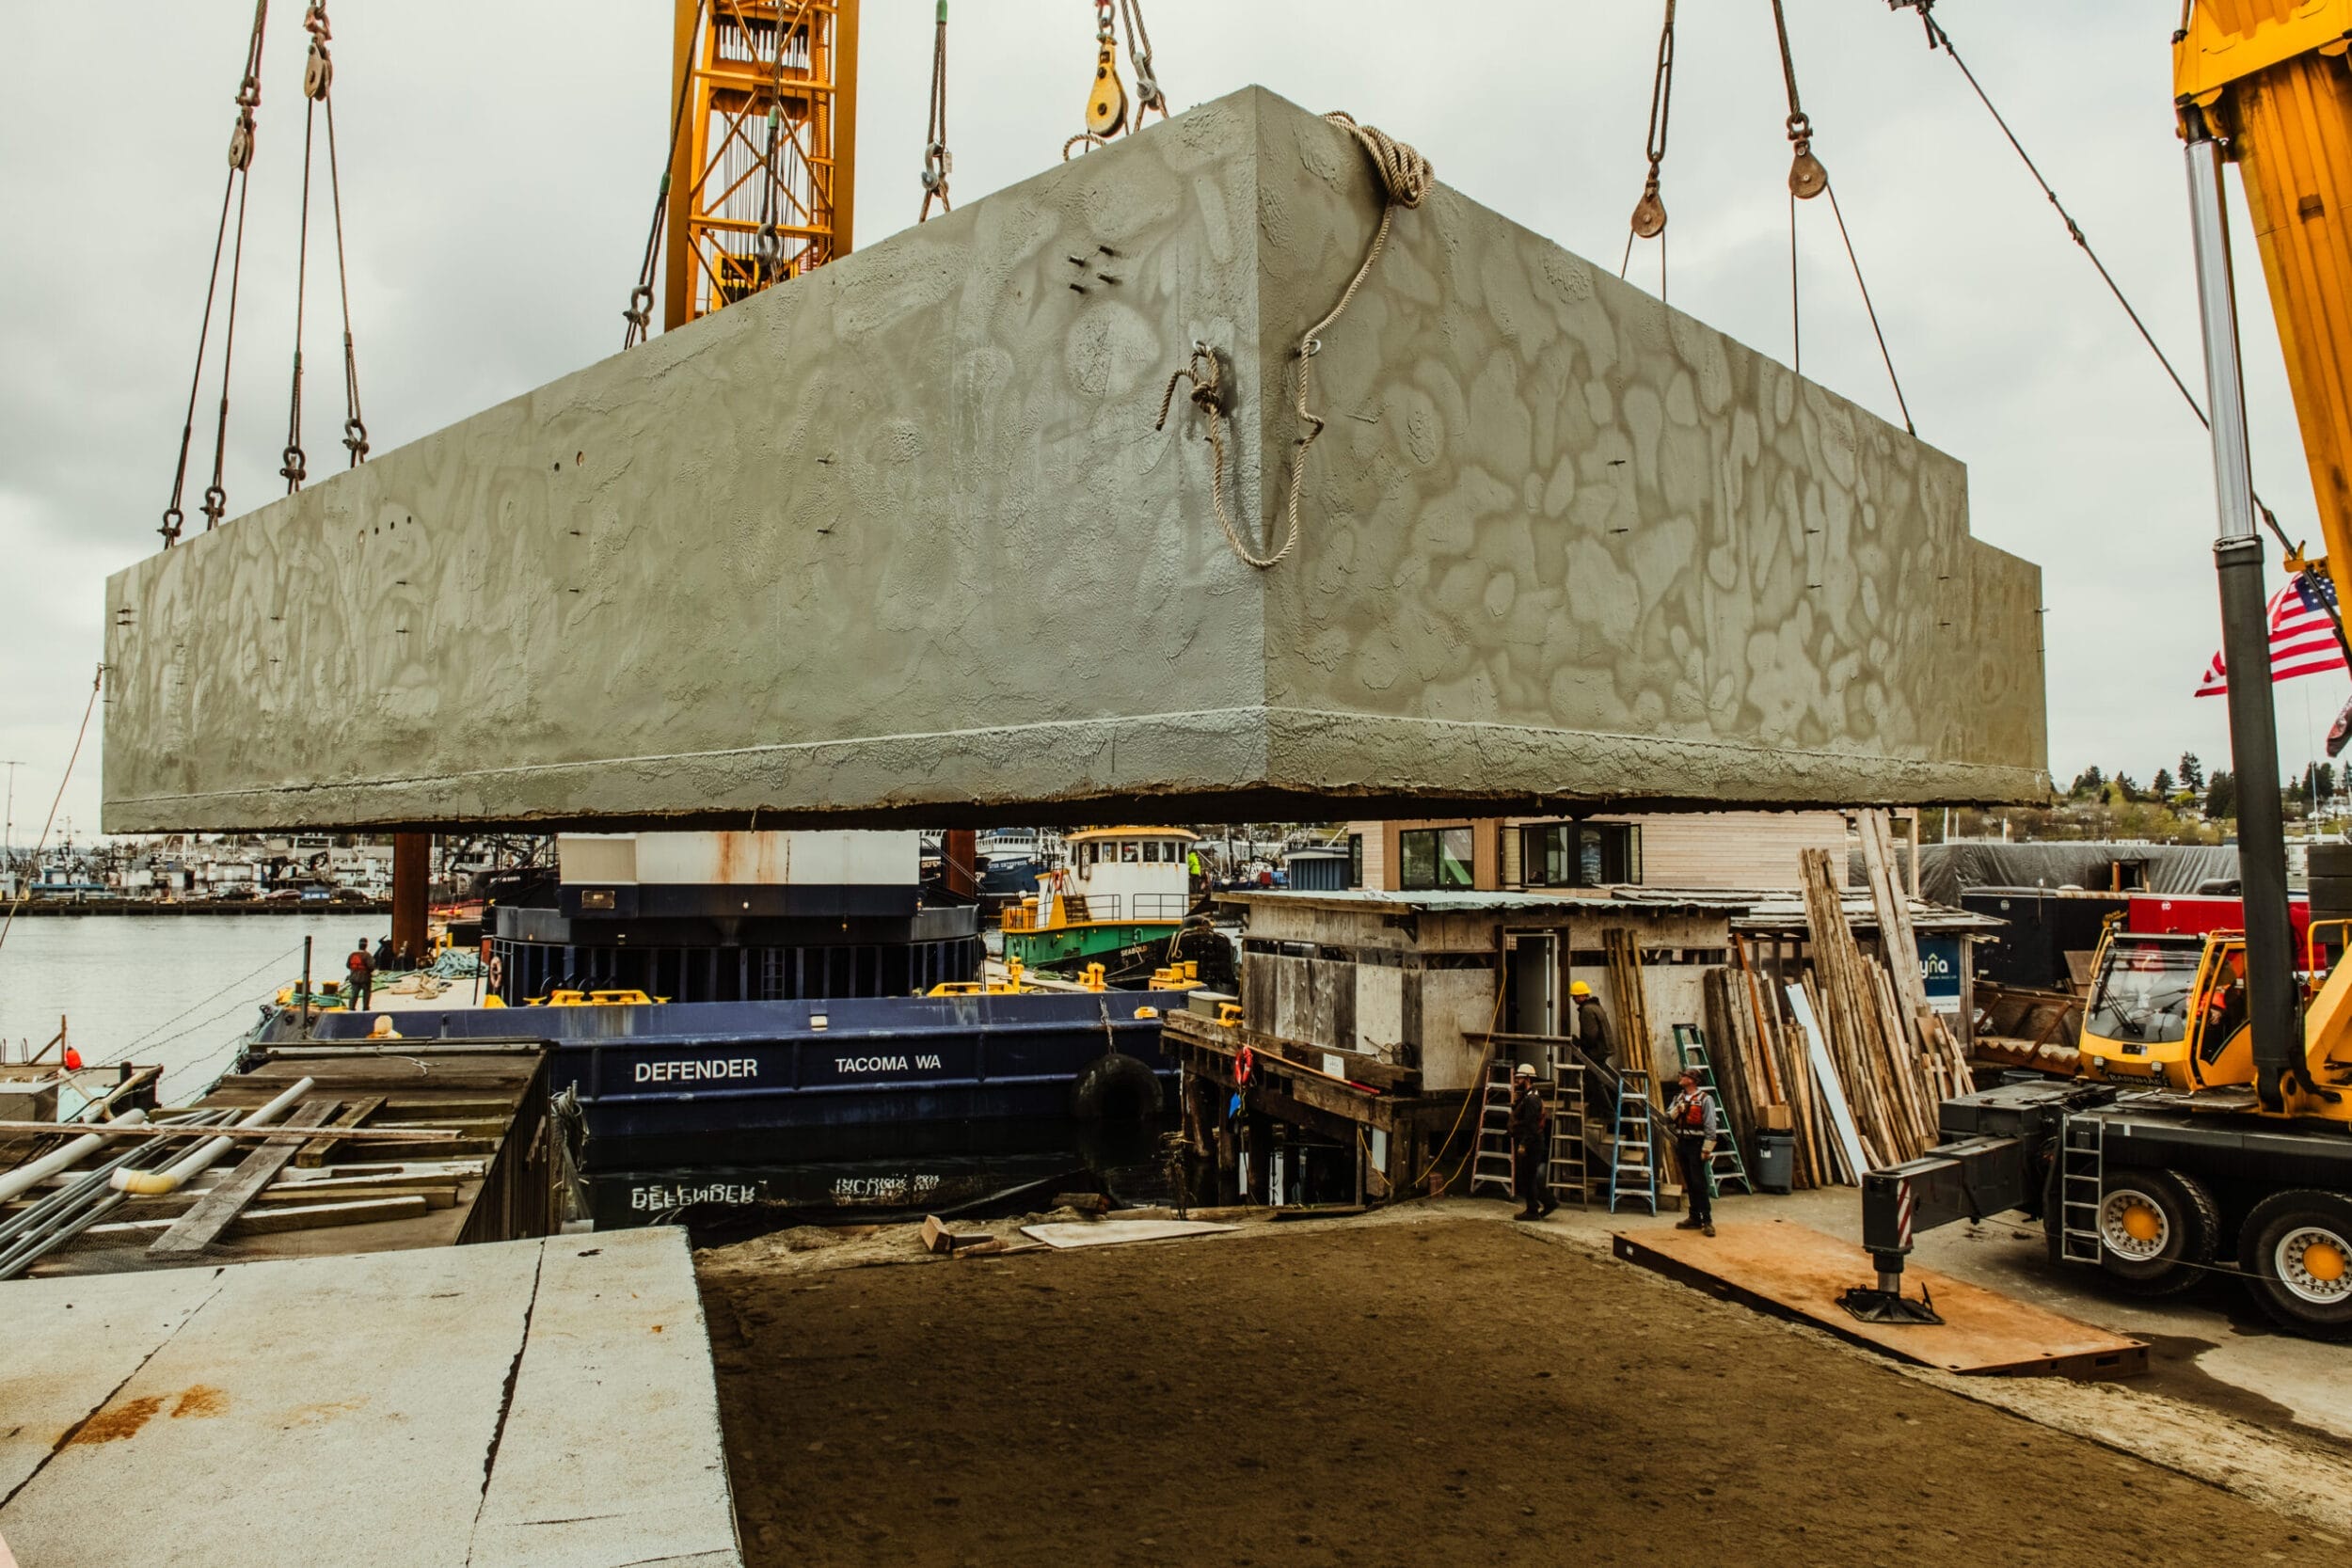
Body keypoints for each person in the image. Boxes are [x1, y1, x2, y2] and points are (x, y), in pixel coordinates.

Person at [1665, 1066, 1719, 1236]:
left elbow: (1711, 1124)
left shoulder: (1705, 1099)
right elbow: (1667, 1118)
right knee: (1689, 1180)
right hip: (1683, 1143)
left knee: (1699, 1182)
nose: (1681, 1078)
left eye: (1685, 1076)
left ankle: (1707, 1220)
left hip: (1697, 1144)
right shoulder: (1679, 1098)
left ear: (1692, 1080)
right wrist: (1677, 1109)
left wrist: (1707, 1148)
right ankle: (1694, 1217)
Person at [1510, 1062, 1556, 1220]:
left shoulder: (1531, 1099)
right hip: (1533, 1140)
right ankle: (1547, 1203)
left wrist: (1523, 1144)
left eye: (1520, 1077)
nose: (1517, 1079)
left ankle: (1533, 1210)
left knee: (1528, 1178)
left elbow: (1531, 1124)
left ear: (1527, 1079)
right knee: (1531, 1176)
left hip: (1532, 1142)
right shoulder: (1529, 1096)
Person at [1571, 982, 1613, 1069]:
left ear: (1583, 996)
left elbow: (1591, 1034)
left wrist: (1582, 1044)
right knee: (1598, 1077)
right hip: (1603, 1048)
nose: (1573, 999)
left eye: (1575, 996)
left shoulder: (1587, 1010)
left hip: (1596, 1051)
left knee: (1591, 1078)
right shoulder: (1596, 1006)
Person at [346, 937, 374, 1008]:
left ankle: (351, 1008)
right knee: (366, 994)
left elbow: (348, 965)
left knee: (353, 994)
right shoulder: (367, 955)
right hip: (365, 979)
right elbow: (371, 967)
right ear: (366, 945)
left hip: (354, 978)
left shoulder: (352, 954)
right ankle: (365, 1008)